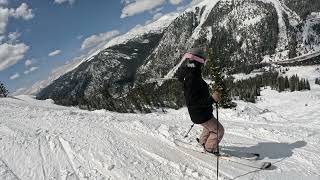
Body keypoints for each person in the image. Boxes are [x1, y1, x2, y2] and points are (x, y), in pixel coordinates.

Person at [175, 48, 224, 153]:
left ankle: (202, 143)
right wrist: (212, 99)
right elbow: (194, 102)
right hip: (200, 113)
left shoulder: (191, 74)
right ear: (197, 61)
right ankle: (210, 149)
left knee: (209, 128)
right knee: (219, 130)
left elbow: (197, 95)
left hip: (202, 112)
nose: (203, 63)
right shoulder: (192, 78)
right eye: (202, 61)